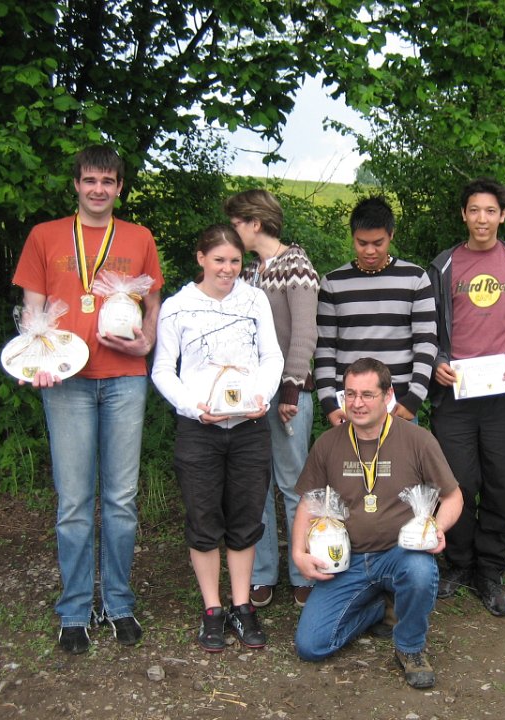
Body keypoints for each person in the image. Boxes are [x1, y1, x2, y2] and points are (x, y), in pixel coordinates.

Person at [12, 145, 164, 654]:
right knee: (74, 502)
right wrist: (35, 360)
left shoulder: (140, 237)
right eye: (90, 180)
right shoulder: (45, 235)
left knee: (121, 500)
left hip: (125, 379)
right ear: (76, 184)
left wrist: (147, 340)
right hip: (67, 382)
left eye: (108, 181)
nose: (99, 189)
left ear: (119, 187)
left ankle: (118, 602)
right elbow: (33, 309)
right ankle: (75, 608)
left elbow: (153, 300)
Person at [291, 357, 463, 688]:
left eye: (367, 394)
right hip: (347, 560)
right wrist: (299, 552)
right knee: (311, 646)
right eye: (350, 394)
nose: (357, 403)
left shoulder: (418, 440)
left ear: (388, 395)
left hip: (401, 554)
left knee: (420, 571)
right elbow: (308, 502)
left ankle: (410, 647)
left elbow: (453, 497)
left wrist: (436, 528)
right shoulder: (328, 443)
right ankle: (378, 608)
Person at [152, 225, 283, 653]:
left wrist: (261, 395)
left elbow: (272, 356)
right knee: (203, 518)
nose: (228, 269)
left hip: (248, 428)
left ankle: (242, 606)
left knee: (246, 517)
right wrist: (192, 407)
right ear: (201, 258)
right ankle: (212, 608)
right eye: (219, 260)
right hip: (200, 430)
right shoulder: (177, 307)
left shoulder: (255, 300)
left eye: (235, 261)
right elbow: (162, 370)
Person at [429, 178, 505, 617]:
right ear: (464, 215)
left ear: (503, 216)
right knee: (457, 483)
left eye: (491, 211)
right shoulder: (443, 266)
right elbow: (426, 328)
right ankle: (459, 563)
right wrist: (437, 360)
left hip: (504, 394)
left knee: (502, 482)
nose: (482, 219)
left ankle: (491, 570)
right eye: (474, 210)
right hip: (454, 395)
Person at [224, 189, 320, 609]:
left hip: (288, 395)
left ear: (255, 223)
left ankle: (303, 571)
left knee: (294, 482)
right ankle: (262, 572)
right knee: (255, 483)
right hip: (250, 396)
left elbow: (304, 332)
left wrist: (291, 388)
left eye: (236, 223)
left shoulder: (296, 265)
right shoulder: (246, 272)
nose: (232, 231)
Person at [314, 197, 437, 425]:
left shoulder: (416, 279)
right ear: (352, 237)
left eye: (378, 243)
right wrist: (329, 403)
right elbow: (325, 348)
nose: (370, 251)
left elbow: (426, 342)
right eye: (362, 243)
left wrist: (414, 399)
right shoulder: (332, 283)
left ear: (391, 235)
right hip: (350, 405)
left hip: (399, 405)